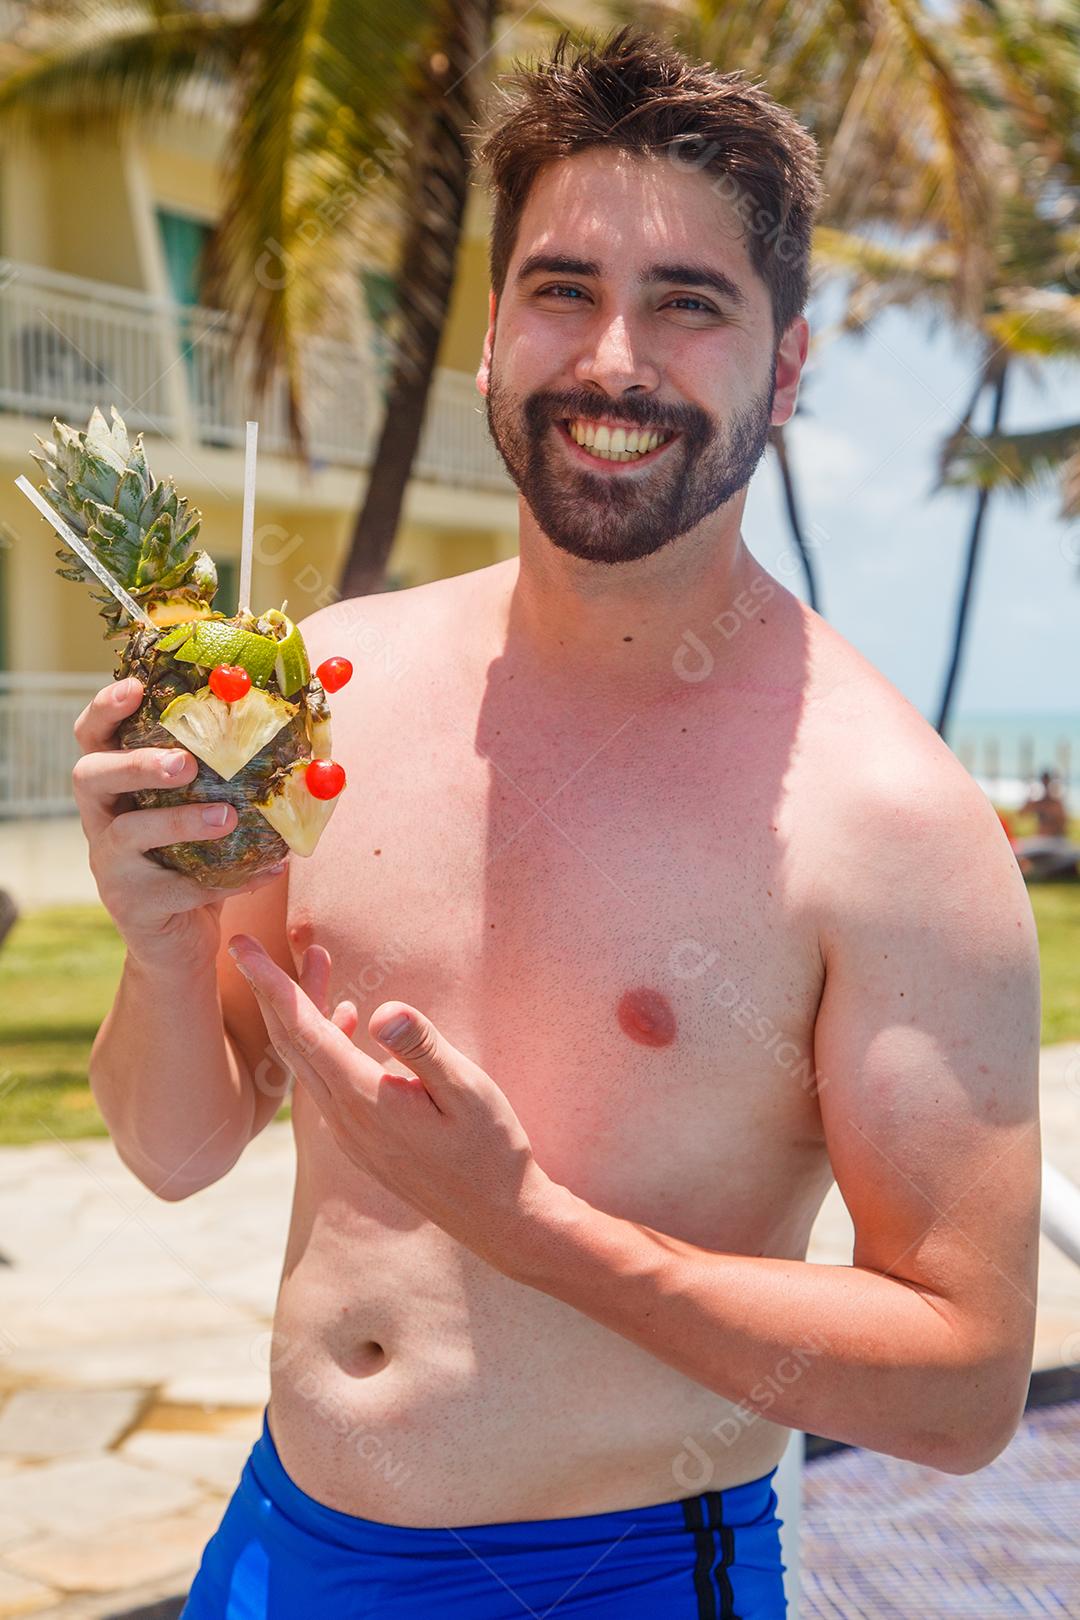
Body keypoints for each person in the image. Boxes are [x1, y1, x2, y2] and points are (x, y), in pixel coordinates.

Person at [77, 27, 1042, 1620]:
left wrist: (534, 1229)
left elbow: (960, 1388)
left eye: (689, 303)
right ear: (490, 336)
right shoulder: (329, 687)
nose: (613, 360)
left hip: (613, 1577)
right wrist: (165, 946)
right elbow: (175, 1150)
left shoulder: (888, 826)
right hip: (280, 1544)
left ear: (786, 368)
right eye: (564, 287)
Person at [1018, 769, 1068, 838]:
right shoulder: (1039, 803)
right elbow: (1021, 813)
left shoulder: (1055, 803)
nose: (1046, 785)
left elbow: (1063, 822)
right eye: (1044, 782)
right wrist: (1030, 795)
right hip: (1041, 838)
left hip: (1055, 839)